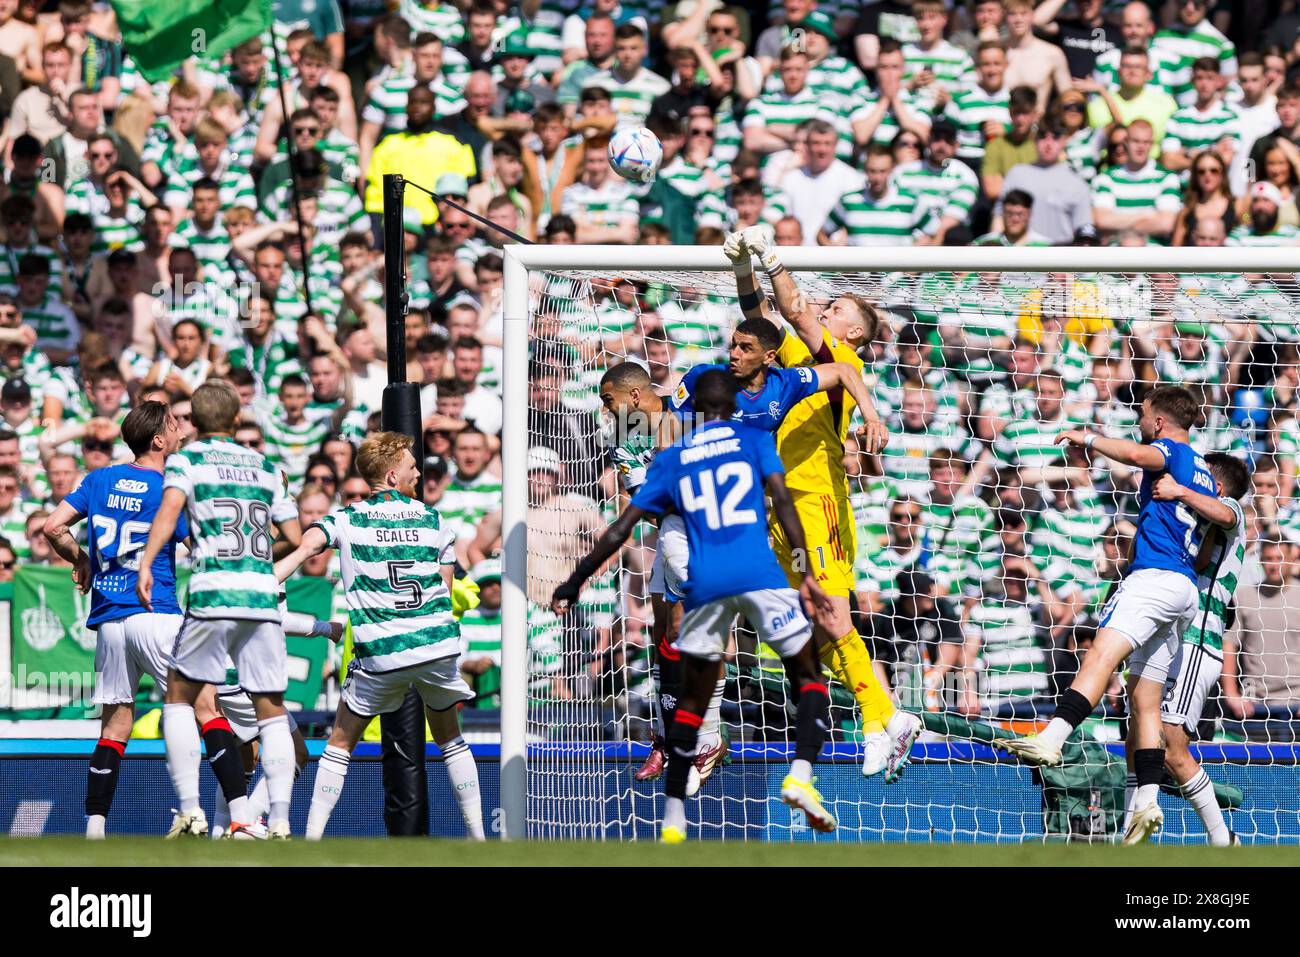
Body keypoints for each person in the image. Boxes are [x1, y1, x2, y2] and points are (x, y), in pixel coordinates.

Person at [551, 368, 837, 843]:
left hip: (700, 560)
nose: (606, 409)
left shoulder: (673, 456)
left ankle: (675, 810)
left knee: (694, 680)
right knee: (806, 676)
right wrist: (807, 571)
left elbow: (623, 527)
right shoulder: (752, 438)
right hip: (753, 566)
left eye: (608, 400)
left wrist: (576, 579)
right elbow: (783, 502)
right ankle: (801, 773)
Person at [727, 224, 925, 779]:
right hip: (779, 506)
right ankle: (883, 718)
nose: (823, 306)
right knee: (806, 627)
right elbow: (762, 318)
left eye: (835, 307)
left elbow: (791, 307)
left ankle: (880, 715)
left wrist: (771, 257)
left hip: (818, 501)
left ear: (854, 330)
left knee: (831, 612)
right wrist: (744, 266)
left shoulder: (842, 357)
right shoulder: (798, 357)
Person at [996, 385, 1228, 846]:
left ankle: (1054, 736)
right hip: (1183, 591)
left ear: (1160, 421)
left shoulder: (1171, 451)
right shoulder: (1202, 468)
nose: (1140, 421)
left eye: (1143, 415)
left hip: (1153, 577)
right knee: (1145, 698)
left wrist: (1087, 438)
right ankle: (1146, 801)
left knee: (1101, 653)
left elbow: (1138, 455)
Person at [275, 431, 485, 841]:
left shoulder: (346, 518)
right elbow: (444, 587)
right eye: (411, 467)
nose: (418, 472)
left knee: (339, 743)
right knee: (451, 741)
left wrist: (270, 580)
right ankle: (480, 838)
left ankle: (312, 837)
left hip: (382, 651)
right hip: (436, 644)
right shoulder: (433, 519)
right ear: (392, 476)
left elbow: (306, 547)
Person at [135, 381, 302, 839]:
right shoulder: (266, 466)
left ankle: (190, 808)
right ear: (234, 419)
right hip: (261, 595)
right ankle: (282, 820)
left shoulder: (187, 460)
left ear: (195, 424)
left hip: (213, 593)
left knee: (179, 697)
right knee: (272, 710)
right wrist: (254, 552)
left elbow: (169, 513)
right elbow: (292, 530)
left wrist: (147, 562)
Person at [42, 401, 186, 839]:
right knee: (198, 710)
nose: (180, 431)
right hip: (155, 609)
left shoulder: (99, 478)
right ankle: (210, 813)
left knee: (115, 722)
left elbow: (52, 527)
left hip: (108, 616)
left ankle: (95, 825)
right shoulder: (168, 487)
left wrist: (82, 559)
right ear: (159, 440)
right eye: (175, 425)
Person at [1125, 451, 1248, 847]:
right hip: (1172, 637)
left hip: (1198, 642)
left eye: (1202, 477)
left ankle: (1221, 839)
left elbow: (1225, 516)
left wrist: (1177, 488)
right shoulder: (1194, 523)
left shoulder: (1228, 509)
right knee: (1137, 737)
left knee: (1173, 747)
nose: (1194, 480)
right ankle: (1126, 837)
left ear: (1220, 485)